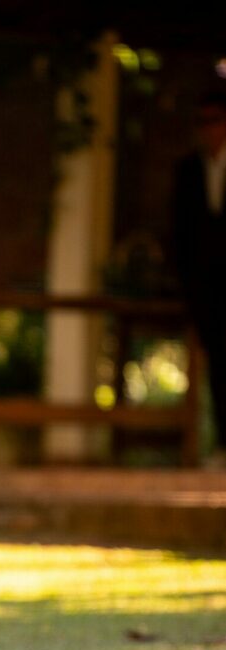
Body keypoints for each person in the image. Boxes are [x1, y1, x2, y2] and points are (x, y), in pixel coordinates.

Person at [173, 92, 226, 467]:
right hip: (207, 291)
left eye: (215, 120)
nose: (209, 129)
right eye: (202, 122)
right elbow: (182, 234)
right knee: (218, 367)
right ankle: (223, 444)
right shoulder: (189, 171)